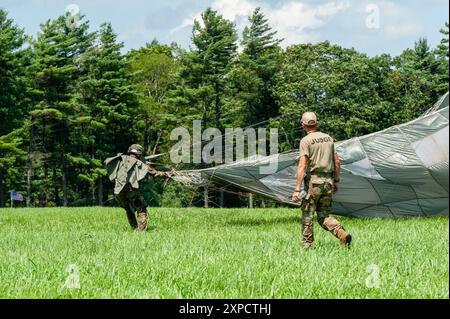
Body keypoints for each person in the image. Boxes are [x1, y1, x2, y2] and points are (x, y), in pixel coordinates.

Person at [292, 112, 352, 248]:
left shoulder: (305, 141)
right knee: (323, 214)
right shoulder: (328, 138)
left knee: (307, 214)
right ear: (317, 123)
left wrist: (297, 189)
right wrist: (336, 180)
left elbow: (302, 165)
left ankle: (307, 245)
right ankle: (342, 233)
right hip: (328, 182)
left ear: (303, 125)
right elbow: (337, 161)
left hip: (314, 182)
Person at [105, 144, 166, 231]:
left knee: (128, 209)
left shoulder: (119, 160)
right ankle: (140, 231)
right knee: (141, 209)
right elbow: (154, 172)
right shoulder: (138, 163)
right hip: (131, 190)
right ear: (139, 153)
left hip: (118, 192)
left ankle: (134, 229)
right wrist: (166, 174)